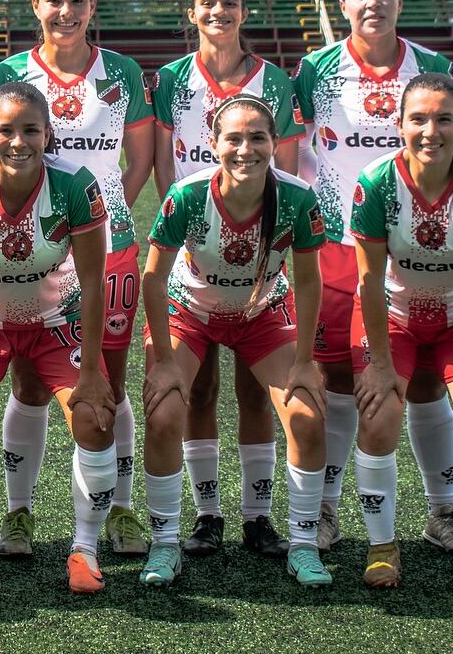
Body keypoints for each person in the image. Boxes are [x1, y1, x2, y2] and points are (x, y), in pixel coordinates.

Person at [292, 0, 453, 554]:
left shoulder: (434, 68)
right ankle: (321, 505)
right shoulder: (315, 70)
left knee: (419, 379)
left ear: (399, 0)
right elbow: (294, 162)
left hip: (412, 253)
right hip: (336, 252)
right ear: (342, 5)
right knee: (336, 379)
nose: (373, 1)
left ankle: (444, 511)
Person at [0, 82, 118, 594]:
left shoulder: (76, 185)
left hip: (56, 319)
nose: (18, 141)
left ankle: (85, 549)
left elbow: (96, 281)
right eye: (5, 130)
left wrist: (94, 370)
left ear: (47, 134)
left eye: (30, 130)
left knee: (96, 419)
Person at [0, 0, 154, 557]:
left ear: (92, 7)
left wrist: (100, 213)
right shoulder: (10, 72)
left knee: (111, 378)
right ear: (36, 5)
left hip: (107, 251)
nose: (66, 12)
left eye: (77, 0)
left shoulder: (123, 73)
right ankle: (19, 512)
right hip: (28, 251)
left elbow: (137, 162)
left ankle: (122, 510)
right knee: (30, 378)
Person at [138, 95, 330, 588]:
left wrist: (306, 361)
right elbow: (154, 279)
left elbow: (309, 282)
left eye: (258, 137)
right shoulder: (185, 195)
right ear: (213, 144)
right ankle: (172, 539)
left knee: (305, 417)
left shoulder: (296, 198)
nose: (246, 149)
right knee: (165, 413)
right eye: (234, 139)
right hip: (191, 311)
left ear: (273, 142)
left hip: (260, 312)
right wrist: (162, 360)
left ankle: (295, 540)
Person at [151, 0, 306, 559]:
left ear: (245, 11)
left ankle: (258, 517)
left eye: (230, 3)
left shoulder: (276, 82)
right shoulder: (169, 80)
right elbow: (168, 169)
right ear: (191, 13)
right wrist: (193, 226)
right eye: (208, 3)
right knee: (198, 389)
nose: (219, 11)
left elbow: (283, 171)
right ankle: (208, 515)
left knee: (253, 389)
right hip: (195, 251)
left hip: (258, 263)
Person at [349, 73, 453, 590]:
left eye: (444, 118)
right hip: (390, 321)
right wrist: (378, 364)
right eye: (418, 118)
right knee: (379, 417)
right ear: (399, 124)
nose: (430, 130)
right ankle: (382, 547)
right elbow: (369, 279)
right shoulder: (375, 183)